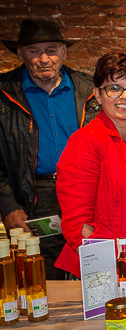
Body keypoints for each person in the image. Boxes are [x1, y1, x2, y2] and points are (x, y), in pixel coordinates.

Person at [0, 19, 100, 279]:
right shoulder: (3, 93)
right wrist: (7, 204)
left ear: (64, 52)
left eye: (52, 50)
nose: (44, 59)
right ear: (20, 54)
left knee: (94, 267)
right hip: (35, 196)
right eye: (34, 51)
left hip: (88, 191)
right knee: (44, 275)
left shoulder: (90, 89)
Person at [55, 52, 126, 276]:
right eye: (114, 88)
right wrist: (113, 270)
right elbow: (78, 224)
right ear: (98, 94)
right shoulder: (85, 142)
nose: (125, 97)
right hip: (107, 269)